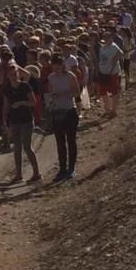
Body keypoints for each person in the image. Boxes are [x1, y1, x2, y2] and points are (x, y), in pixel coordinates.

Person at [3, 67, 41, 183]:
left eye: (15, 74)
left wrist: (21, 103)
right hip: (14, 121)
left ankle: (36, 172)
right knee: (17, 148)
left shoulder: (25, 86)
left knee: (27, 146)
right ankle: (19, 174)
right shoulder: (7, 89)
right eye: (11, 74)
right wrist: (5, 122)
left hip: (26, 119)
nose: (13, 76)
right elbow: (6, 106)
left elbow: (33, 102)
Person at [48, 53, 80, 182]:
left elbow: (76, 92)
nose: (55, 69)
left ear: (62, 65)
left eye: (57, 66)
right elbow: (50, 93)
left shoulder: (70, 76)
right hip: (57, 110)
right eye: (53, 66)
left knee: (71, 140)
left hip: (69, 110)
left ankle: (71, 168)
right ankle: (62, 168)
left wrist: (63, 93)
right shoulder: (51, 77)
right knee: (60, 142)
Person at [97, 32, 123, 118]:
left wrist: (116, 58)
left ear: (111, 38)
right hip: (103, 72)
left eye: (107, 37)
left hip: (112, 72)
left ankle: (113, 110)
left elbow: (121, 53)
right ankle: (107, 108)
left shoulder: (114, 46)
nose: (106, 39)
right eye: (104, 37)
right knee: (103, 91)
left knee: (114, 91)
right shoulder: (102, 48)